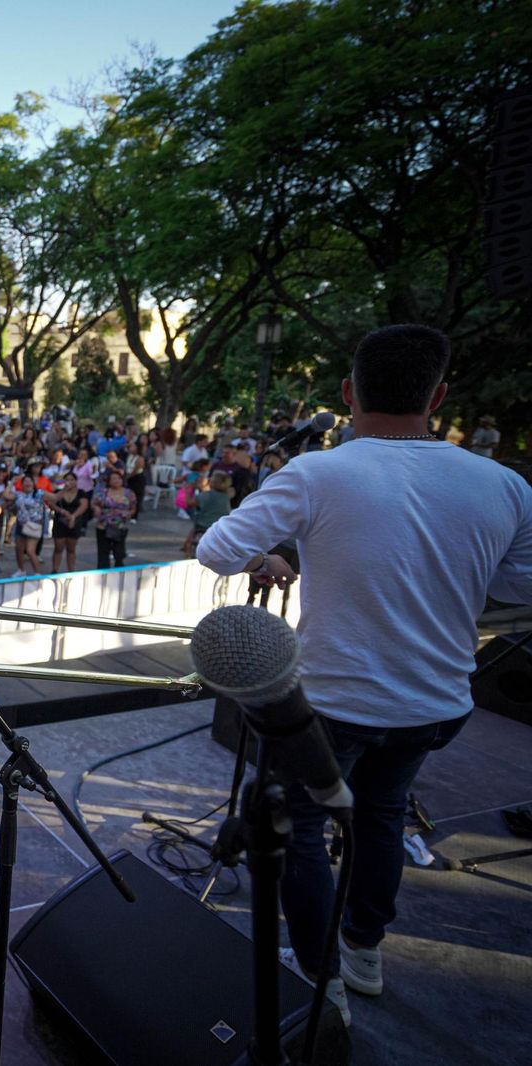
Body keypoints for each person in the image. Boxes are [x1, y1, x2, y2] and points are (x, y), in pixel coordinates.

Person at [197, 324, 532, 1027]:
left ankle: (321, 976)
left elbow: (218, 551)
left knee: (305, 830)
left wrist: (283, 541)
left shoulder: (320, 472)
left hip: (332, 705)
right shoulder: (504, 484)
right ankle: (364, 952)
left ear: (348, 393)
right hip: (438, 703)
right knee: (381, 817)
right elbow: (521, 584)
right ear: (439, 396)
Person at [1, 475, 47, 577]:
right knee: (18, 549)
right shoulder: (18, 494)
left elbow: (55, 498)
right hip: (21, 526)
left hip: (34, 526)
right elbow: (6, 495)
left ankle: (38, 573)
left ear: (33, 484)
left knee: (30, 551)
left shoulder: (39, 493)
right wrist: (12, 482)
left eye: (30, 481)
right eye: (25, 481)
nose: (28, 483)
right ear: (21, 485)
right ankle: (21, 570)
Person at [90, 469, 135, 569]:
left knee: (119, 553)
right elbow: (93, 503)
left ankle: (119, 572)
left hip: (120, 526)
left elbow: (133, 508)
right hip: (104, 525)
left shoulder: (129, 493)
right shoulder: (103, 492)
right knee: (103, 553)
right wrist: (96, 508)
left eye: (119, 478)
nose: (116, 481)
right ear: (109, 481)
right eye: (114, 479)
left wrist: (129, 513)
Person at [48, 477, 91, 573]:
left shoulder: (81, 492)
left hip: (75, 521)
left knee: (71, 548)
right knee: (58, 547)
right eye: (68, 480)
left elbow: (84, 506)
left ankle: (71, 570)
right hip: (60, 521)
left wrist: (73, 517)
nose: (70, 482)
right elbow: (51, 502)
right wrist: (62, 511)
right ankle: (55, 569)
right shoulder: (59, 491)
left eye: (72, 480)